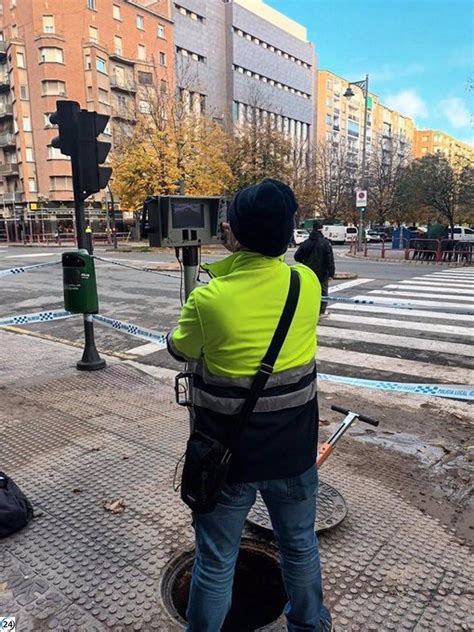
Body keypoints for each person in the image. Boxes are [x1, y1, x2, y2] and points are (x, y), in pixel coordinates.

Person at [167, 179, 332, 632]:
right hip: (293, 453)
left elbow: (180, 350)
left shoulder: (209, 299)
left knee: (217, 560)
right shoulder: (306, 283)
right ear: (288, 232)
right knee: (299, 546)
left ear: (231, 231)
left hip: (226, 458)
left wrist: (228, 255)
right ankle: (310, 626)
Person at [294, 221, 335, 316]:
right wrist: (331, 273)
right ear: (321, 230)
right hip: (322, 273)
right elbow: (330, 260)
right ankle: (321, 311)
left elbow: (297, 257)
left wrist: (305, 262)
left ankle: (309, 309)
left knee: (309, 291)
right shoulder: (325, 243)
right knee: (323, 292)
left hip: (308, 272)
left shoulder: (306, 243)